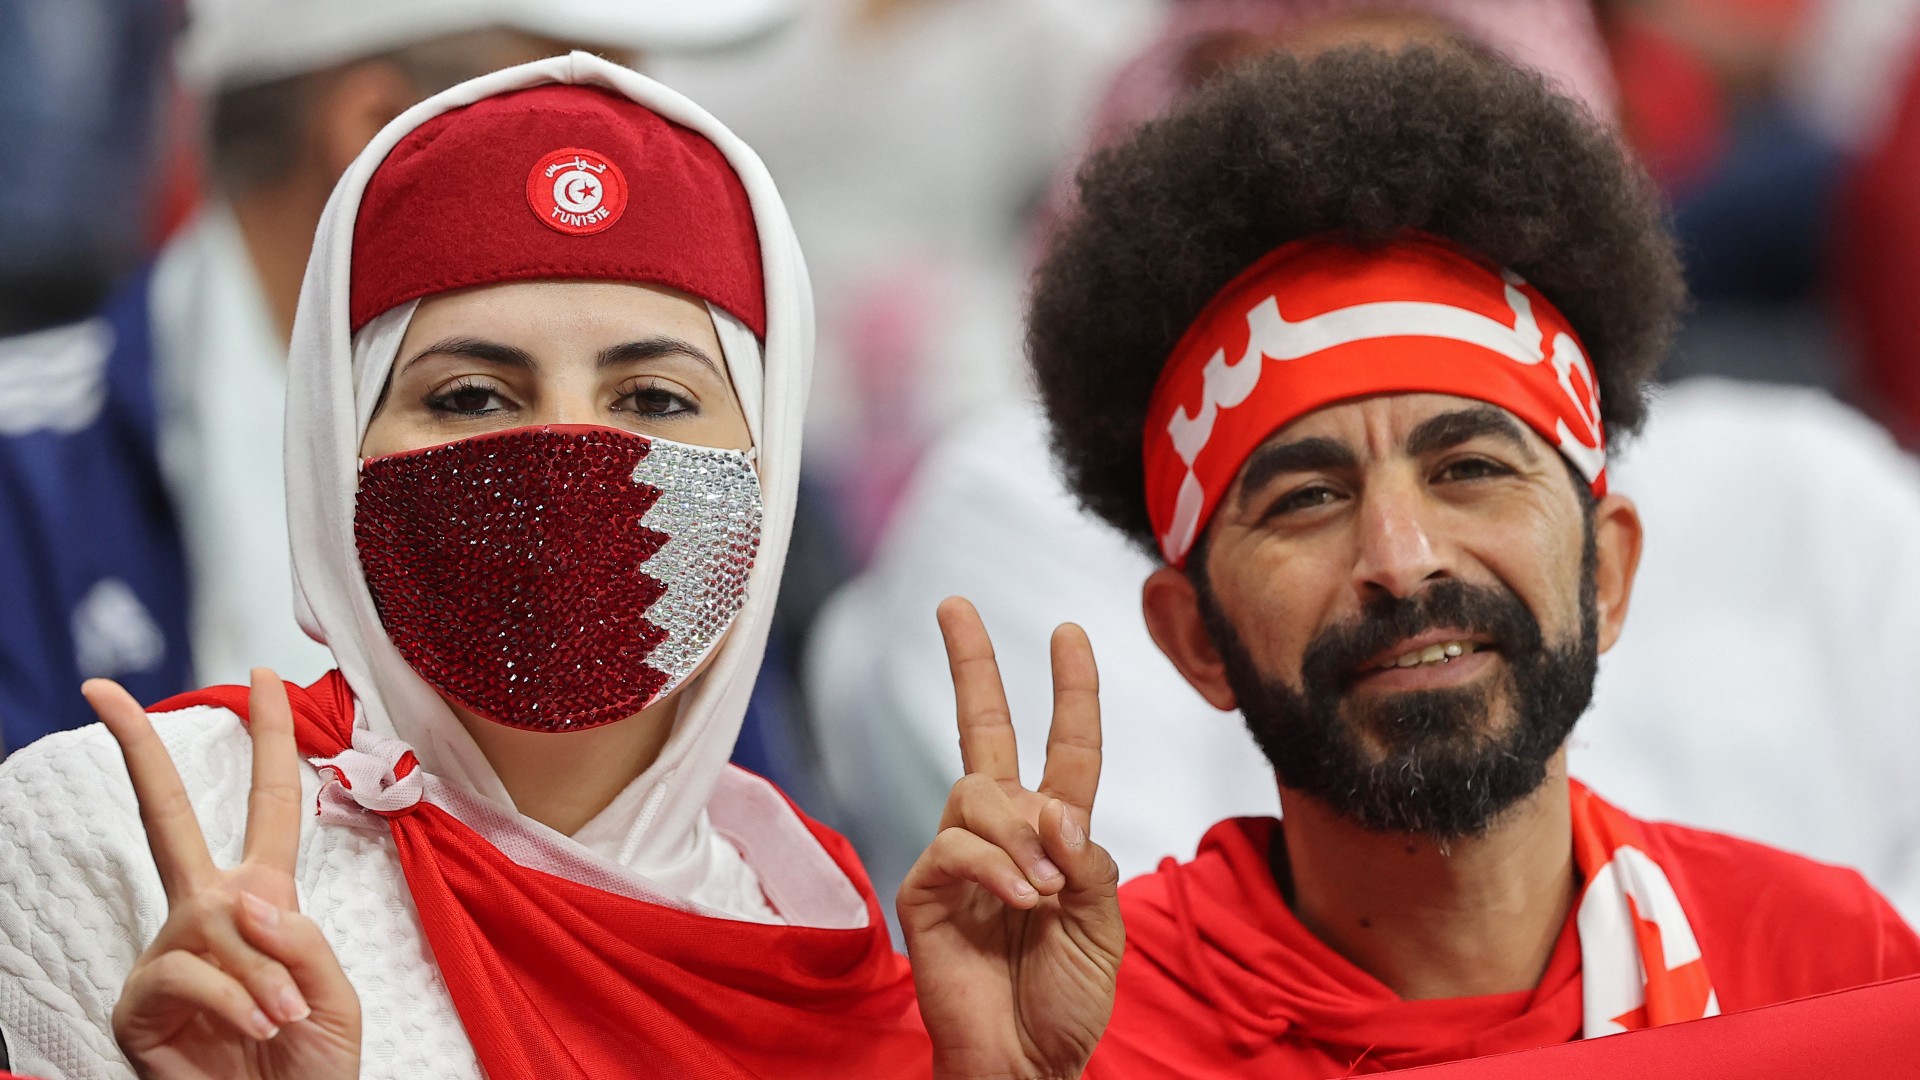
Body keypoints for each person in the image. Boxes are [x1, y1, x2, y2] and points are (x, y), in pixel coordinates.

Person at [0, 53, 1120, 1079]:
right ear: (334, 446)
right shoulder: (123, 847)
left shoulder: (823, 945)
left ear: (769, 468)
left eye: (654, 399)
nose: (568, 453)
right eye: (471, 396)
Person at [1012, 44, 1920, 1075]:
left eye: (1470, 469)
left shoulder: (1839, 981)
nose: (1401, 560)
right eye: (1308, 499)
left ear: (1608, 571)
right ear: (1195, 641)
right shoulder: (1059, 1031)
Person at [0, 0, 795, 752]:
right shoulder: (25, 468)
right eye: (574, 99)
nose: (628, 146)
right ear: (374, 125)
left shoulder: (661, 459)